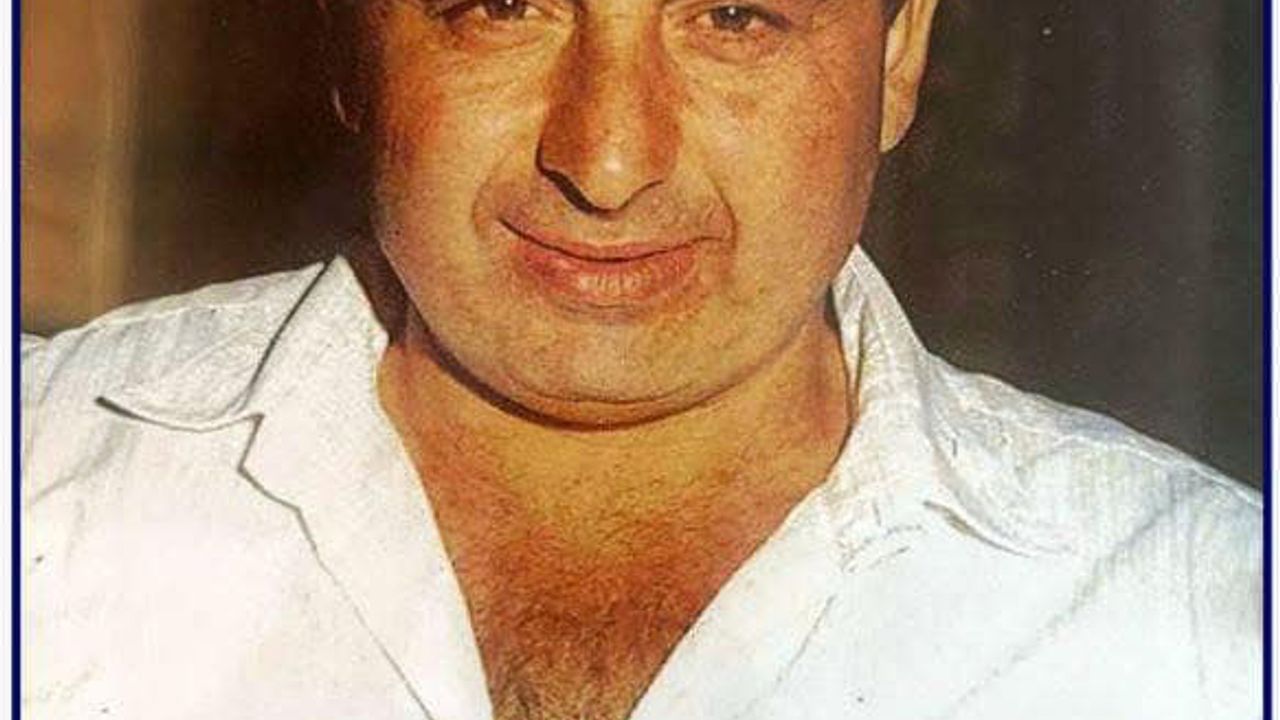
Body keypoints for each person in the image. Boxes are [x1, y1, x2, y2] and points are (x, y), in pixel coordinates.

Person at [20, 0, 1261, 716]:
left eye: (731, 15)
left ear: (895, 57)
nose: (608, 161)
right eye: (503, 4)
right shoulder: (40, 478)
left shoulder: (1205, 626)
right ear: (356, 42)